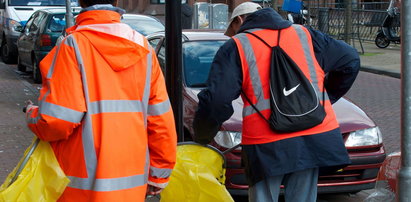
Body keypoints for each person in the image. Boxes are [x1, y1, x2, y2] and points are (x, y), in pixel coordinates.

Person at [193, 2, 359, 202]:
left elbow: (217, 100)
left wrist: (203, 135)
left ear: (238, 21)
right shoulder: (304, 34)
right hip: (313, 133)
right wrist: (325, 98)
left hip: (266, 143)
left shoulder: (236, 46)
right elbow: (350, 60)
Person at [24, 0, 177, 201]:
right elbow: (160, 117)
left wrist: (31, 114)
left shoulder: (73, 45)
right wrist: (159, 173)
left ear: (80, 1)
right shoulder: (144, 47)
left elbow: (56, 121)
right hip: (131, 184)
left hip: (81, 186)